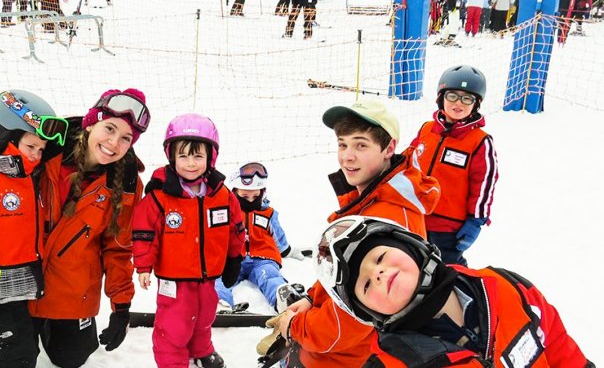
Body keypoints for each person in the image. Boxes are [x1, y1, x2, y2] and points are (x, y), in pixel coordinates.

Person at [274, 99, 440, 367]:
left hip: (343, 359)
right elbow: (340, 272)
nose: (347, 156)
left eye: (361, 145)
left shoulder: (385, 222)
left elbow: (344, 327)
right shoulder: (370, 201)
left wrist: (295, 326)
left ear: (389, 148)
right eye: (343, 144)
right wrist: (310, 298)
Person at [314, 215, 595, 367]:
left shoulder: (507, 286)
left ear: (411, 247)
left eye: (380, 258)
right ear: (366, 311)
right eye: (364, 285)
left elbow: (557, 345)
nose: (377, 274)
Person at [28, 88, 150, 368]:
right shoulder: (45, 148)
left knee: (71, 357)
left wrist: (121, 307)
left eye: (126, 138)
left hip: (72, 287)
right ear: (91, 122)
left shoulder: (127, 183)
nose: (114, 143)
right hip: (21, 280)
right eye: (109, 128)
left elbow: (118, 249)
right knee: (10, 355)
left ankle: (53, 326)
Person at [132, 113, 245, 368]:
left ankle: (201, 349)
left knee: (204, 316)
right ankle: (172, 362)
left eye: (198, 156)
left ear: (210, 158)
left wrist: (235, 258)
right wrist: (143, 267)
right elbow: (144, 233)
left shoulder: (222, 195)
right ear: (172, 157)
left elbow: (235, 228)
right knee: (173, 326)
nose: (190, 163)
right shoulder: (160, 197)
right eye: (183, 155)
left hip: (208, 276)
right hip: (174, 280)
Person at [0, 90, 68, 368]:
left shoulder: (27, 177)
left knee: (19, 352)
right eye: (31, 146)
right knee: (15, 358)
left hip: (19, 292)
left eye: (41, 150)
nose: (36, 156)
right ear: (5, 137)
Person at [408, 65, 498, 266]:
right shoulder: (427, 129)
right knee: (412, 266)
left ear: (476, 105)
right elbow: (407, 162)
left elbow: (484, 184)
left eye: (467, 98)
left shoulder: (480, 142)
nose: (459, 103)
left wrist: (476, 221)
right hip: (415, 217)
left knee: (445, 271)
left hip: (448, 228)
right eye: (452, 96)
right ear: (441, 98)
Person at [215, 162, 309, 313]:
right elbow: (215, 235)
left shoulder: (268, 213)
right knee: (219, 279)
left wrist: (287, 251)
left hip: (262, 257)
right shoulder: (226, 212)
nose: (251, 200)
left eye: (255, 195)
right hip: (232, 259)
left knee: (269, 275)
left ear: (262, 192)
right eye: (244, 196)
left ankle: (284, 298)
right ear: (234, 192)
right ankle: (219, 303)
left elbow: (278, 236)